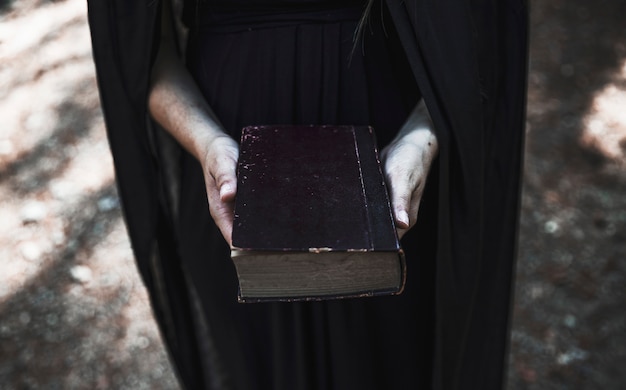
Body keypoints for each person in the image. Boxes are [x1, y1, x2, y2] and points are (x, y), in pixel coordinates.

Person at [87, 0, 528, 389]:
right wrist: (206, 143)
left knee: (391, 365)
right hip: (228, 165)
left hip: (390, 164)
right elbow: (137, 50)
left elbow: (484, 26)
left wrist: (422, 135)